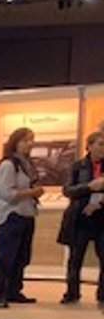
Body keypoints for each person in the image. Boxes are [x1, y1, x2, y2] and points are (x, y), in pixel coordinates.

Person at [0, 127, 45, 309]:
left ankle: (13, 291)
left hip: (27, 213)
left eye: (32, 140)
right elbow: (5, 192)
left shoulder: (27, 164)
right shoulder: (9, 165)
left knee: (21, 257)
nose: (30, 144)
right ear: (15, 142)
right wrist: (32, 192)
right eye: (26, 140)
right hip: (10, 215)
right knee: (5, 257)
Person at [59, 130, 104, 305]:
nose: (103, 148)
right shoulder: (78, 166)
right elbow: (68, 190)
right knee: (75, 258)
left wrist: (98, 203)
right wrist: (89, 187)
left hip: (101, 218)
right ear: (90, 146)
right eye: (100, 144)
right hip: (80, 218)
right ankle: (72, 292)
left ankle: (102, 294)